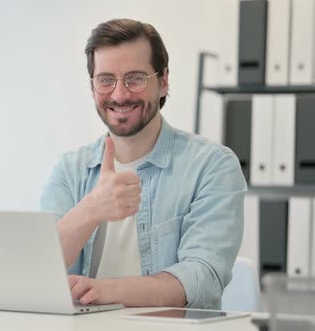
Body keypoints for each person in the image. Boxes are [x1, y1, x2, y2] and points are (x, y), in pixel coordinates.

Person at [40, 18, 246, 310]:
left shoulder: (212, 166)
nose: (120, 94)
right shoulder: (70, 169)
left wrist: (104, 292)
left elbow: (201, 279)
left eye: (135, 78)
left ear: (163, 82)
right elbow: (39, 271)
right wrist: (92, 209)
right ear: (92, 86)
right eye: (106, 80)